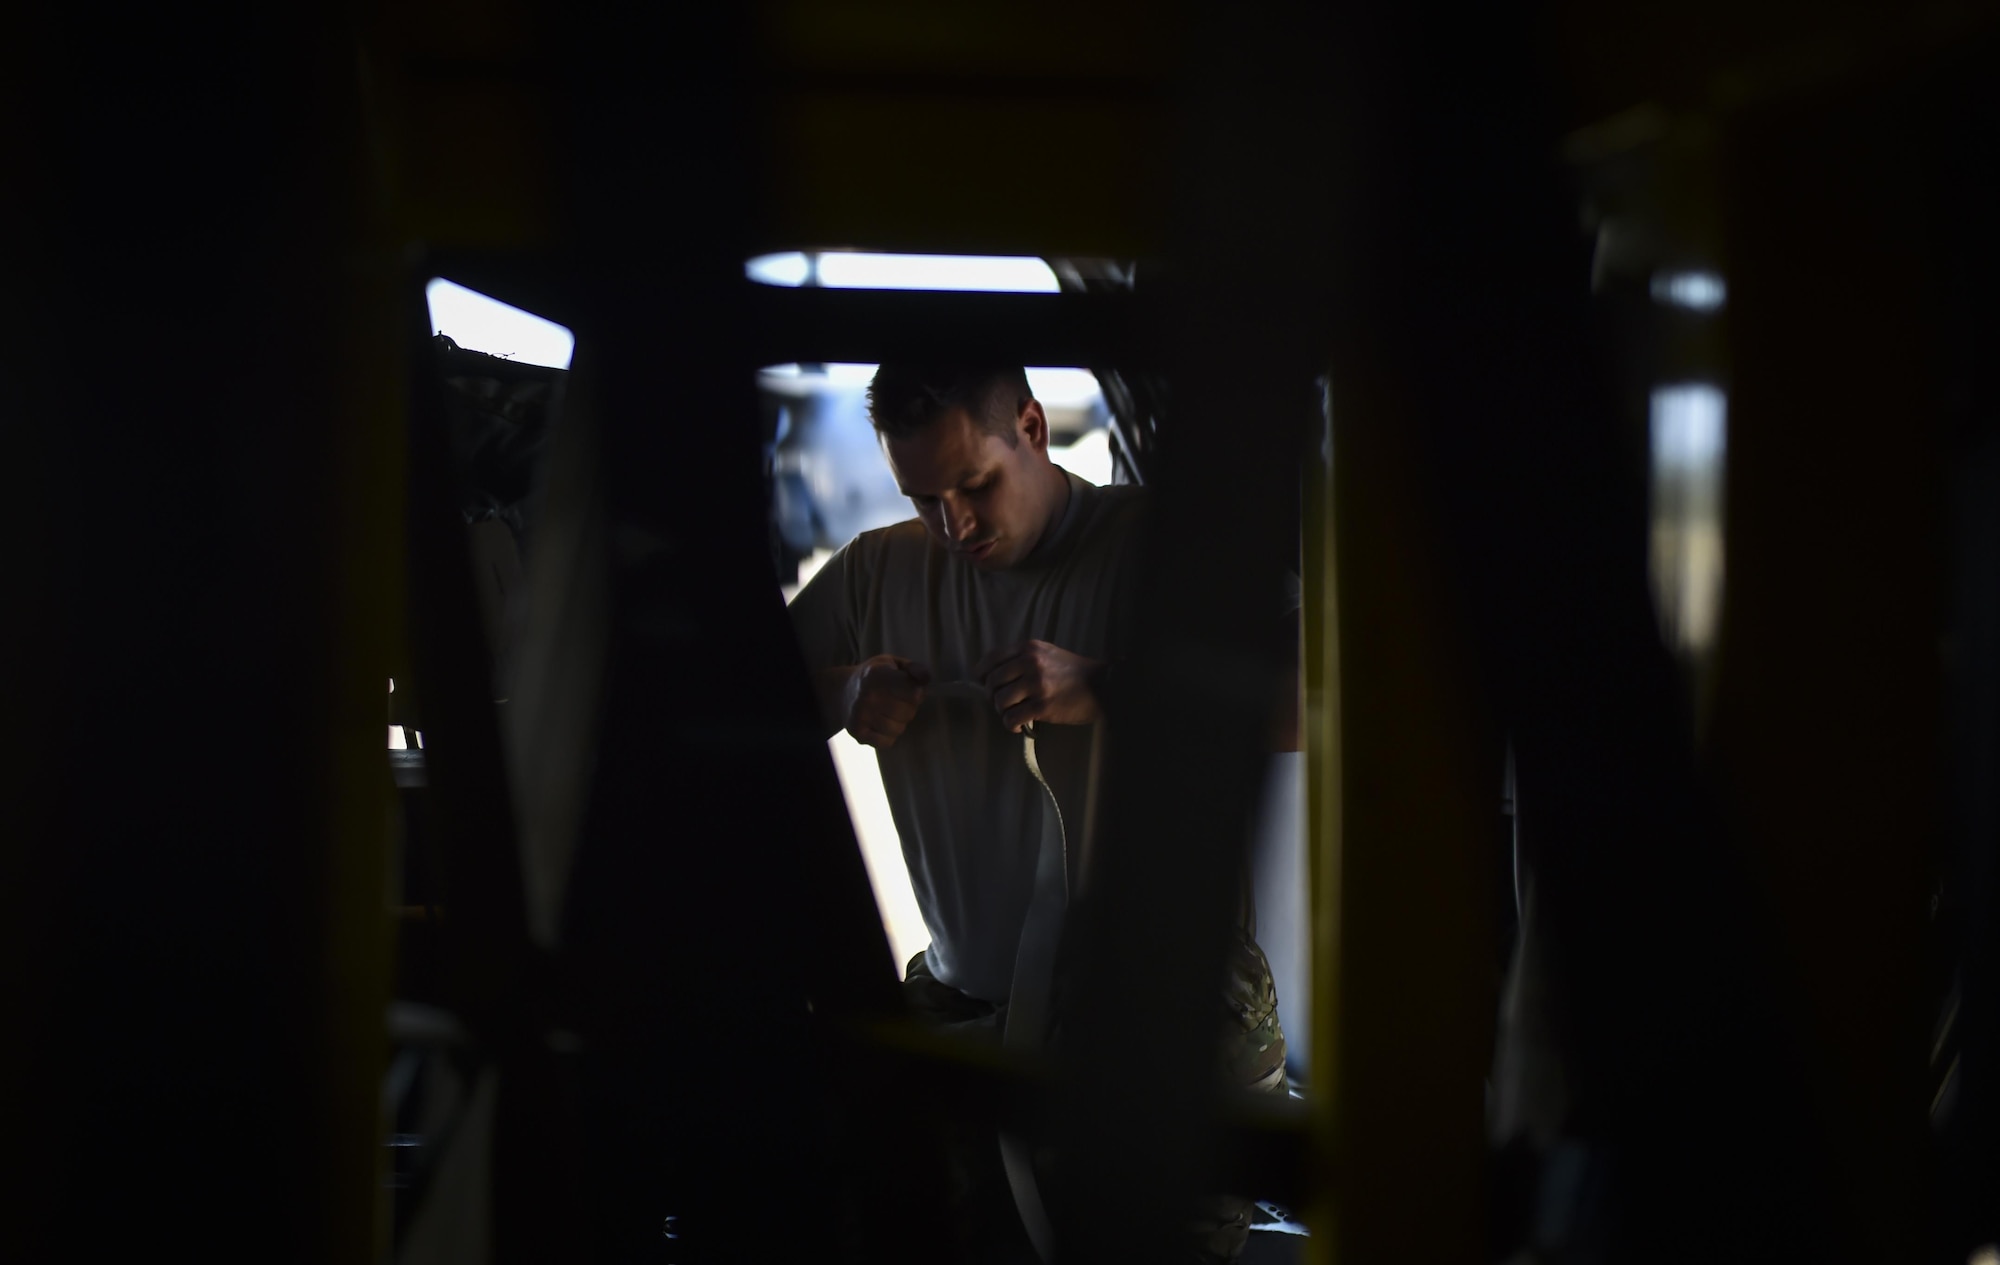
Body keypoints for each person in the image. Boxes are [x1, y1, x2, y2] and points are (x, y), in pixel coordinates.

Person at [787, 362, 1291, 1262]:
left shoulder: (1162, 545)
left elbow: (1317, 697)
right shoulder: (879, 570)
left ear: (1030, 425)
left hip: (1159, 1021)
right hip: (968, 1007)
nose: (955, 526)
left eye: (974, 485)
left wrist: (1106, 687)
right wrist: (842, 689)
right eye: (924, 497)